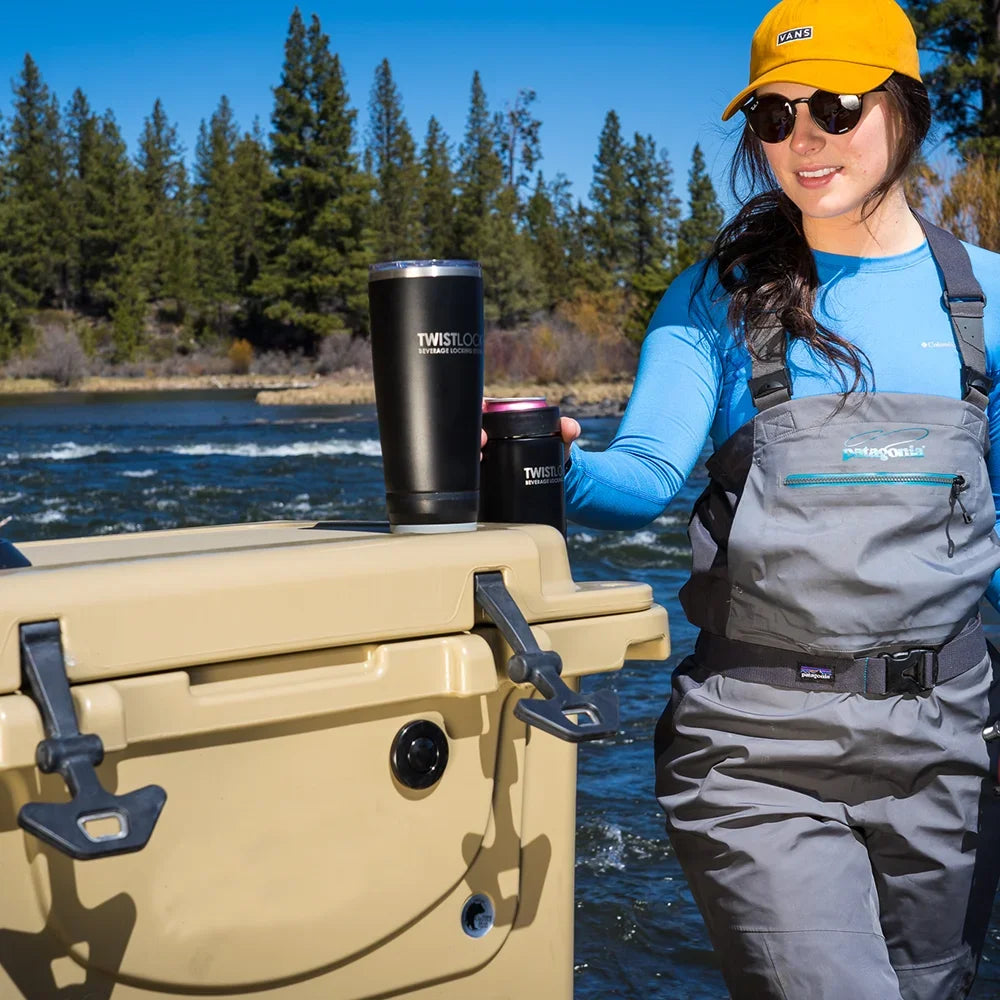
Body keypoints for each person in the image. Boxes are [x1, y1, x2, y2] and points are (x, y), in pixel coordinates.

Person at [556, 1, 1000, 997]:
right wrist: (545, 467)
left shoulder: (988, 300)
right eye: (772, 116)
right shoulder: (710, 299)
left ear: (906, 111)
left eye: (834, 108)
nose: (802, 140)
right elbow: (642, 475)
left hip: (951, 744)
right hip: (754, 753)